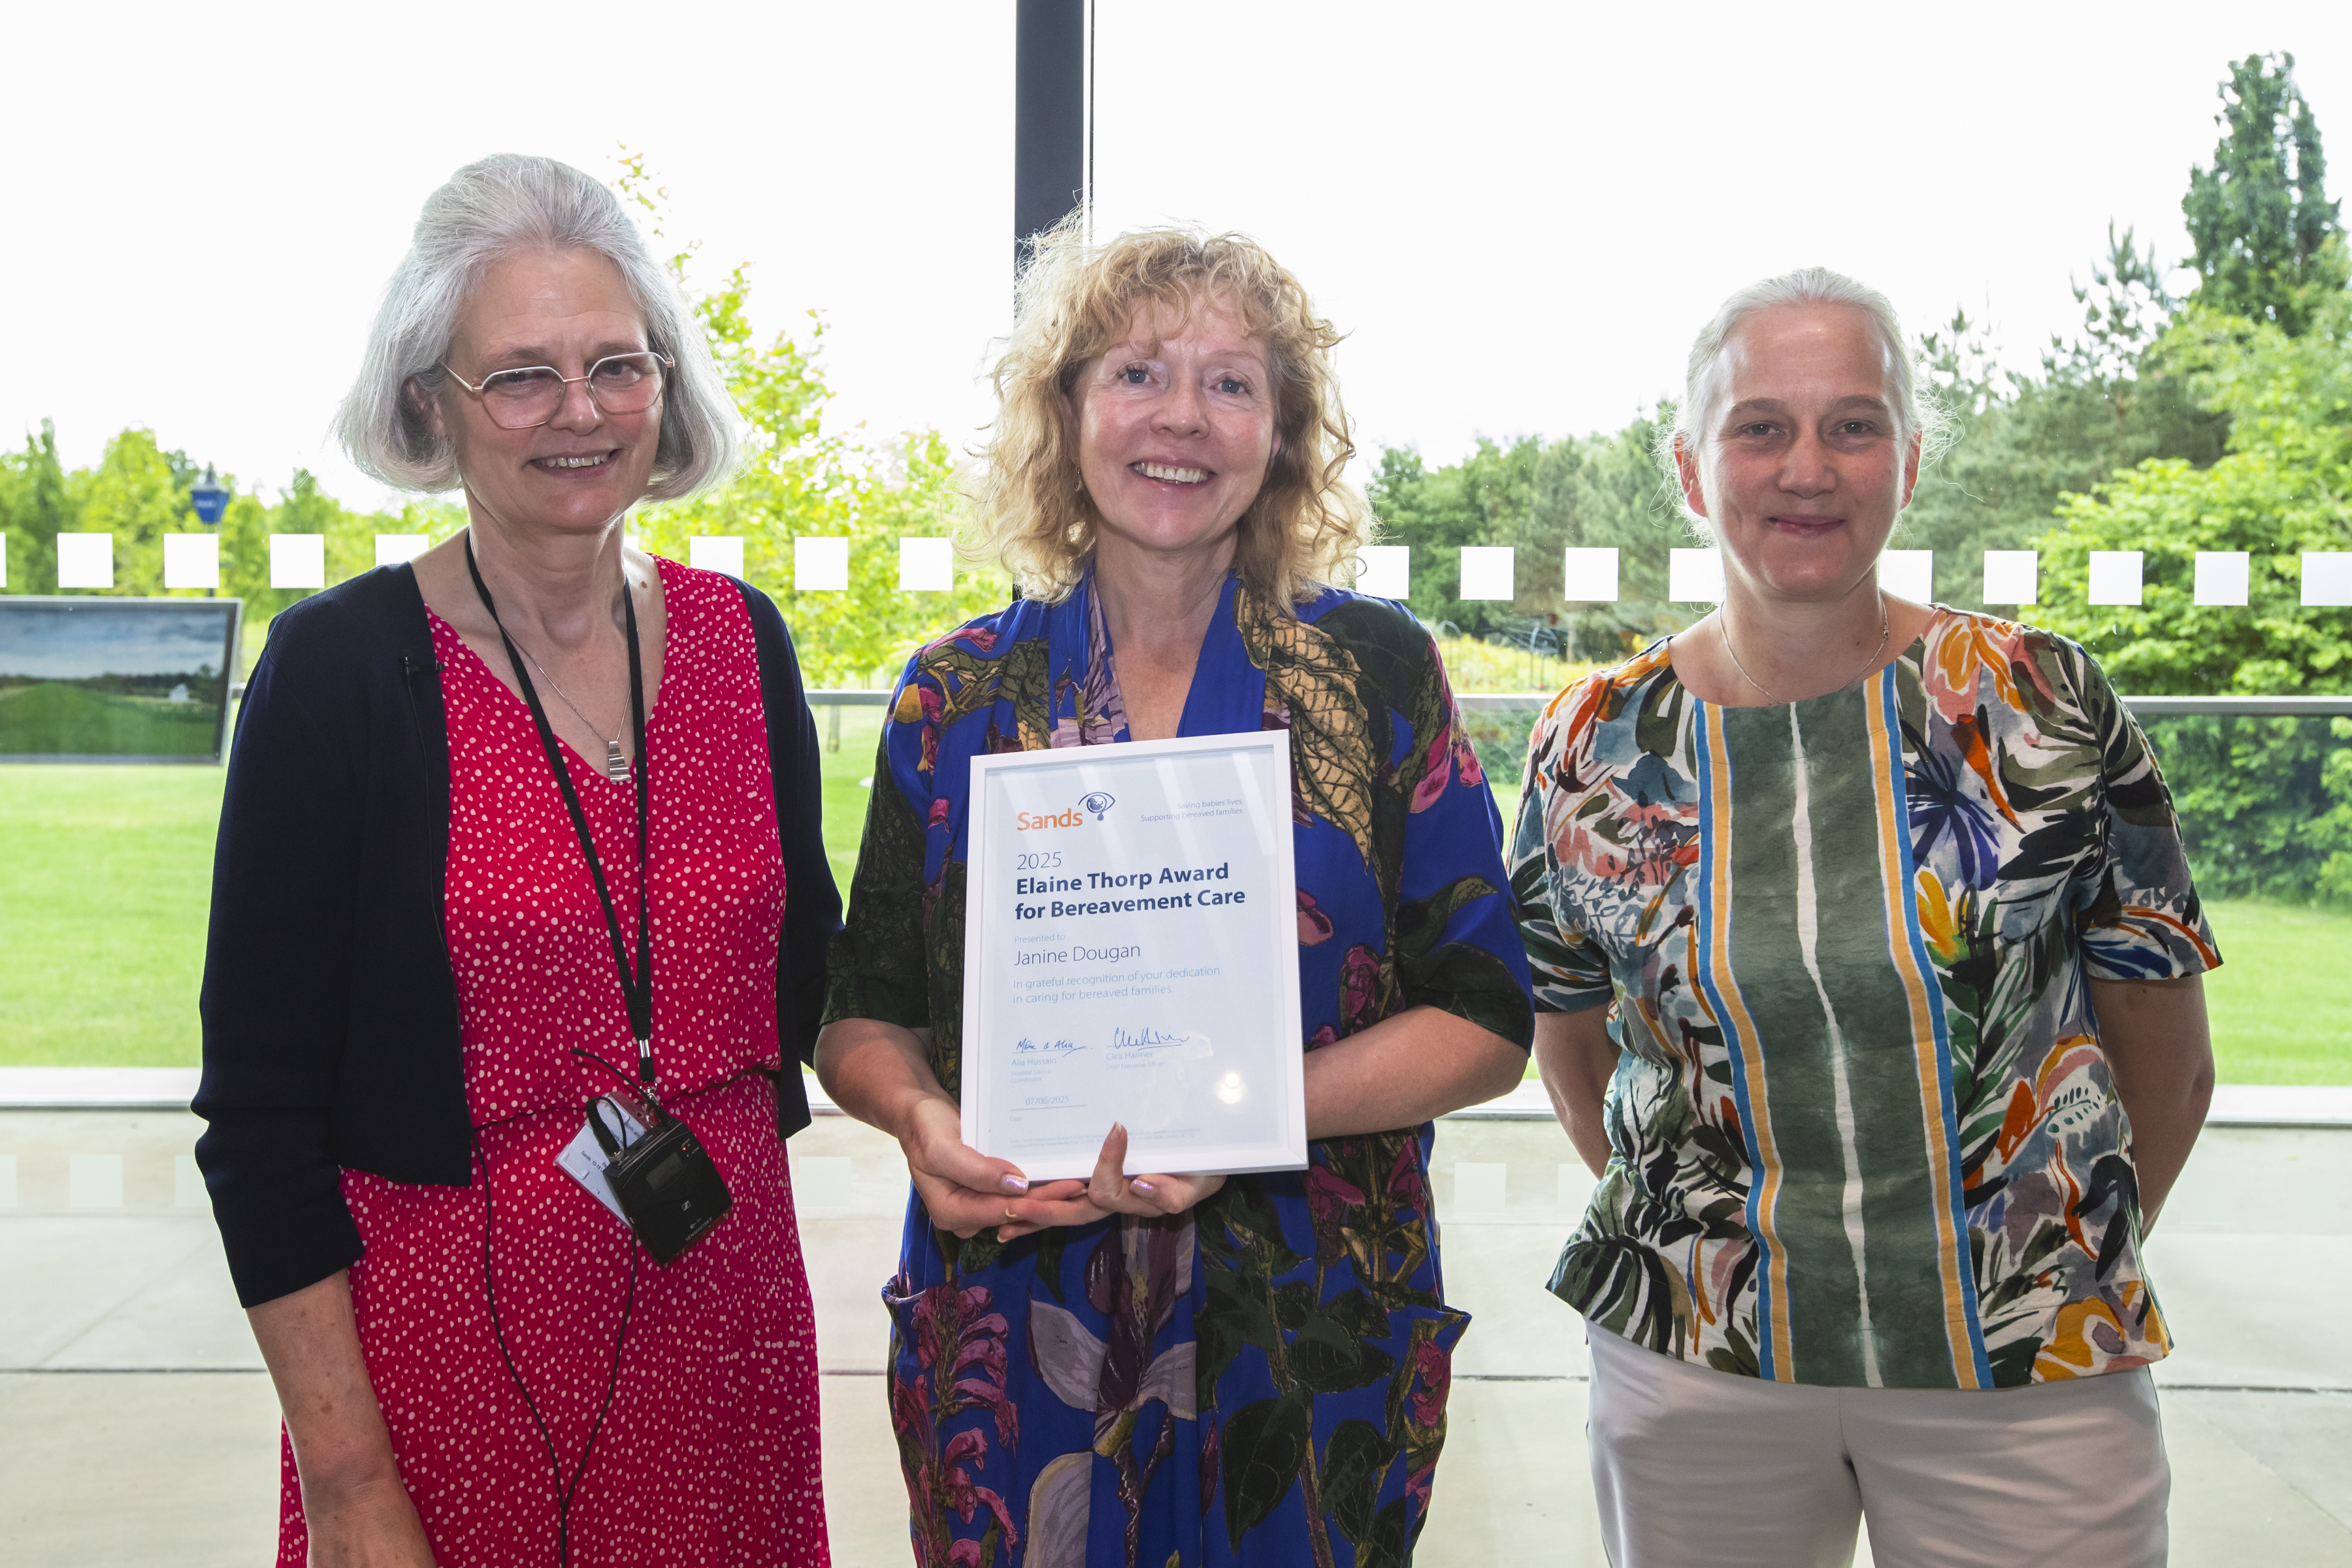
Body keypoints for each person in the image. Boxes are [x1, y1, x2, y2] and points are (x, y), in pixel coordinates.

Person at [817, 220, 1535, 1567]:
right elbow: (865, 1014)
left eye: (1231, 383)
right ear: (1068, 410)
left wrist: (1250, 1114)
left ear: (1283, 433)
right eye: (1140, 373)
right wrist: (920, 1120)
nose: (1182, 420)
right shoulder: (954, 696)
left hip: (1309, 1337)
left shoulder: (1375, 675)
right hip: (1016, 1318)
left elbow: (1489, 1017)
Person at [1511, 267, 2218, 1567]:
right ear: (1688, 466)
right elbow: (1572, 1046)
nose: (1807, 468)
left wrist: (2048, 1259)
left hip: (2030, 1363)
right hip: (1698, 1360)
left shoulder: (2039, 699)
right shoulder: (1591, 743)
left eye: (1853, 424)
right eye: (1759, 426)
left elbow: (2165, 1048)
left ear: (1908, 461)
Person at [193, 154, 839, 1568]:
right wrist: (350, 1482)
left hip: (726, 1345)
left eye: (616, 363)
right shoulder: (339, 671)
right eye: (522, 375)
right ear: (432, 401)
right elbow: (258, 1125)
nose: (581, 411)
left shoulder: (744, 644)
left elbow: (826, 994)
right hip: (445, 1380)